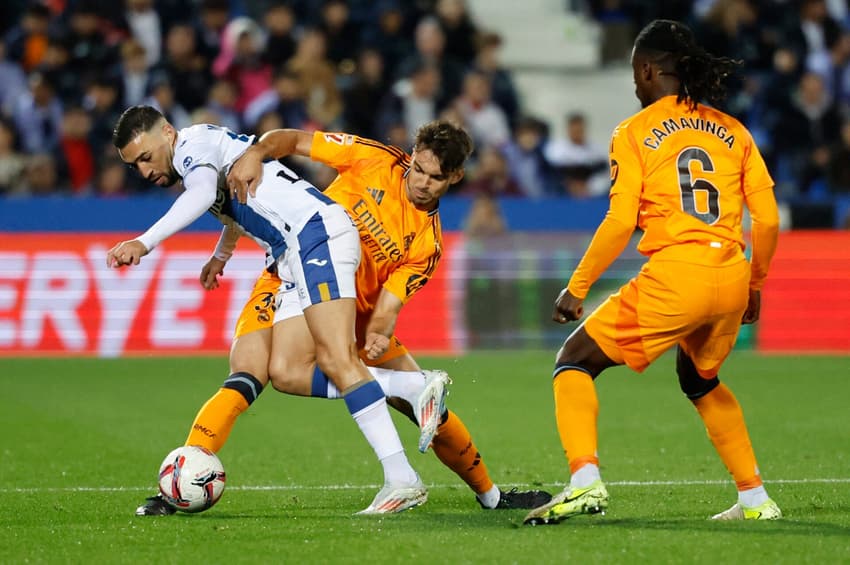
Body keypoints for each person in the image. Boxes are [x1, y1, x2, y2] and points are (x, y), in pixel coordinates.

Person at [523, 19, 781, 525]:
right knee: (700, 378)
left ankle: (584, 481)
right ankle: (755, 498)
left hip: (678, 273)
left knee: (573, 361)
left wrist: (577, 288)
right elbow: (768, 218)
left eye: (634, 75)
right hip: (730, 272)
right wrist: (755, 284)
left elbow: (621, 219)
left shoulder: (634, 131)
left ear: (647, 70)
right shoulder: (734, 130)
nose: (634, 85)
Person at [108, 105, 426, 515]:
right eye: (134, 166)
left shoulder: (190, 149)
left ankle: (403, 474)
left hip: (314, 236)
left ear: (167, 133)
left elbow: (204, 193)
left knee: (334, 358)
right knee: (287, 371)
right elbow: (234, 202)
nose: (145, 171)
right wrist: (221, 255)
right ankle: (408, 391)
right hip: (292, 251)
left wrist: (144, 242)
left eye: (146, 157)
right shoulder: (203, 148)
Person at [222, 121, 550, 511]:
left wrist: (378, 333)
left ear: (456, 177)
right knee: (287, 372)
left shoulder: (427, 244)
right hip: (316, 293)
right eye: (419, 170)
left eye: (436, 178)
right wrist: (257, 153)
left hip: (357, 318)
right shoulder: (372, 157)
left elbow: (387, 308)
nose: (423, 183)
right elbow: (292, 140)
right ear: (411, 156)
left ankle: (491, 496)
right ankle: (408, 391)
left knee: (429, 411)